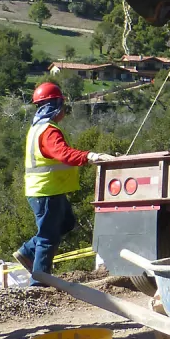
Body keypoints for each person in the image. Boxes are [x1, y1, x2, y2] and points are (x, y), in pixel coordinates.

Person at [15, 81, 110, 286]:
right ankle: (39, 283)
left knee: (66, 223)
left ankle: (28, 251)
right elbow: (63, 154)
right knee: (48, 238)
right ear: (55, 105)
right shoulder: (48, 131)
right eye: (62, 106)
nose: (64, 111)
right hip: (47, 192)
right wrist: (90, 156)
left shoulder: (37, 128)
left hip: (47, 190)